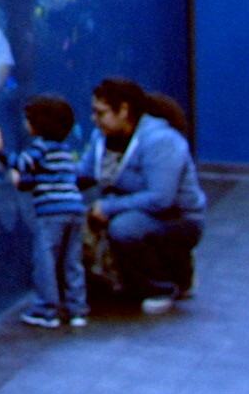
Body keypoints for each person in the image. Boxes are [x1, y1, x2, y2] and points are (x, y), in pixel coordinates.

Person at [80, 77, 206, 314]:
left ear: (124, 110)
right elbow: (84, 175)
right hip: (134, 211)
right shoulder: (100, 138)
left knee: (125, 229)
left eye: (101, 113)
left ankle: (160, 288)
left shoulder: (162, 141)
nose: (94, 119)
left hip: (178, 219)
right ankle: (170, 271)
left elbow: (161, 198)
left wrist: (109, 208)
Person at [0, 94, 87, 329]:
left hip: (52, 213)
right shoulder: (63, 150)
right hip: (74, 209)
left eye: (28, 119)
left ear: (39, 124)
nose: (25, 123)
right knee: (72, 261)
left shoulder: (41, 147)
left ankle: (47, 310)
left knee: (45, 259)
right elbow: (36, 179)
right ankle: (77, 309)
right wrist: (21, 182)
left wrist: (0, 152)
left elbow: (22, 164)